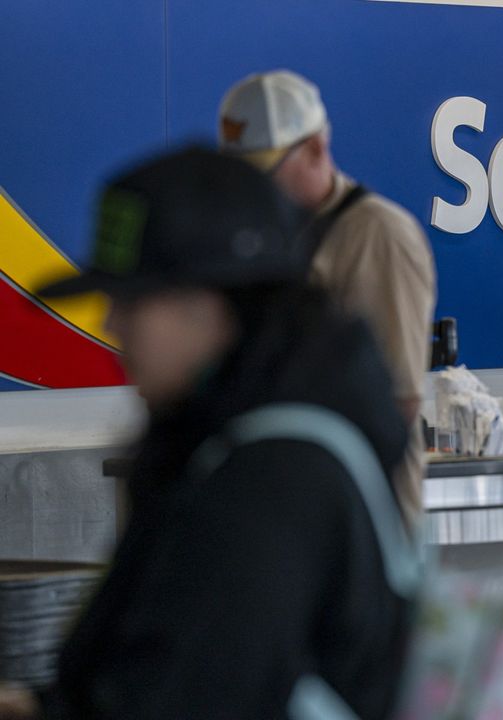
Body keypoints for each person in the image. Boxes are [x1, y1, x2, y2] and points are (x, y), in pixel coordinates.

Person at [1, 148, 412, 719]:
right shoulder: (232, 447)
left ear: (209, 304)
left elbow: (184, 698)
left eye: (132, 301)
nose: (113, 324)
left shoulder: (270, 481)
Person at [218, 69, 436, 527]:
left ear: (316, 147)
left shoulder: (376, 233)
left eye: (265, 172)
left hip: (361, 520)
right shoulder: (270, 238)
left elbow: (396, 400)